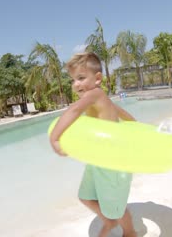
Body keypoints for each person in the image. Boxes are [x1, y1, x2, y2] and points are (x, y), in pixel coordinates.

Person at [49, 52, 137, 237]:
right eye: (73, 80)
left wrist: (55, 138)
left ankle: (130, 233)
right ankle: (109, 221)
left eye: (81, 78)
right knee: (85, 197)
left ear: (97, 78)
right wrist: (134, 124)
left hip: (112, 163)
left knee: (116, 209)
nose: (76, 84)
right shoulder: (99, 97)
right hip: (97, 158)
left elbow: (73, 111)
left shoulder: (94, 94)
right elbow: (122, 113)